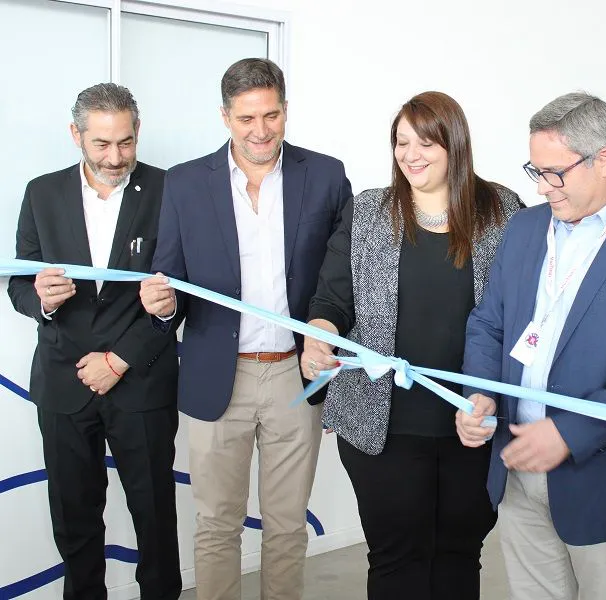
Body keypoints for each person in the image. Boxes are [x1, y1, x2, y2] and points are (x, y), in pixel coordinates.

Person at [457, 92, 606, 599]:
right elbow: (489, 323)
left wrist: (569, 432)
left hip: (604, 475)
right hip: (516, 462)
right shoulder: (524, 228)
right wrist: (479, 395)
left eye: (556, 173)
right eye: (536, 171)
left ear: (604, 160)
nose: (545, 187)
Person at [139, 58, 352, 600]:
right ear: (225, 117)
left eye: (272, 114)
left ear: (286, 109)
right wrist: (161, 306)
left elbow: (341, 276)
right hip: (216, 378)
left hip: (292, 379)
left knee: (285, 526)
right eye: (246, 118)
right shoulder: (185, 183)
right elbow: (173, 281)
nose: (261, 130)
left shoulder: (325, 176)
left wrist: (324, 334)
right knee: (216, 525)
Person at [300, 91, 521, 600]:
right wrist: (321, 336)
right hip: (383, 427)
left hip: (474, 422)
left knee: (460, 554)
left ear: (455, 144)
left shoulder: (501, 208)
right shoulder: (368, 211)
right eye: (402, 142)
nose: (411, 153)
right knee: (396, 557)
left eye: (426, 142)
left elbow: (523, 306)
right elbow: (332, 298)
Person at [7, 83, 180, 600]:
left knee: (155, 521)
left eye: (126, 143)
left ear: (138, 132)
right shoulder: (42, 192)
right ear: (75, 135)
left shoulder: (171, 190)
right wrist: (42, 298)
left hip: (141, 383)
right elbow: (19, 283)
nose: (116, 157)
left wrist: (120, 359)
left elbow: (184, 291)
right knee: (74, 521)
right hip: (64, 386)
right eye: (102, 144)